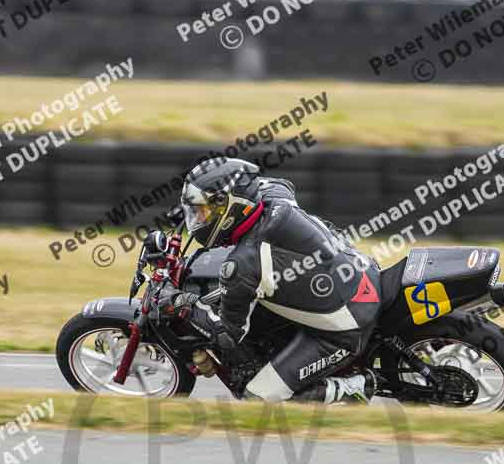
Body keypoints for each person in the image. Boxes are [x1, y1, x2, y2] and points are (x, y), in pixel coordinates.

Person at [157, 157, 384, 403]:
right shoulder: (274, 195)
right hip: (359, 272)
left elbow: (228, 334)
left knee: (257, 398)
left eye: (202, 212)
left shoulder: (245, 264)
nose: (198, 220)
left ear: (231, 209)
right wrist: (193, 205)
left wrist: (184, 303)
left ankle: (355, 387)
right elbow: (276, 183)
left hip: (346, 326)